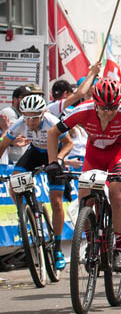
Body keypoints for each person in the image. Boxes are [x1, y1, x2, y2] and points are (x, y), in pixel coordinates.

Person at [47, 79, 121, 272]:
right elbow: (53, 133)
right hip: (93, 154)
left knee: (118, 194)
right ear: (95, 104)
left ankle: (120, 246)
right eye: (104, 108)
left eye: (114, 107)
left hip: (118, 152)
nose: (110, 112)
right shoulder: (82, 110)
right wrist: (54, 161)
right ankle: (91, 240)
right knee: (85, 199)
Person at [1, 94, 72, 268]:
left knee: (56, 201)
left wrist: (59, 160)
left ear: (42, 114)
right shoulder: (20, 124)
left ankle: (57, 248)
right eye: (26, 117)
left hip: (53, 153)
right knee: (14, 181)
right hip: (35, 152)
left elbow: (69, 143)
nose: (30, 122)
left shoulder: (52, 122)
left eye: (34, 118)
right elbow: (2, 145)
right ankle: (24, 213)